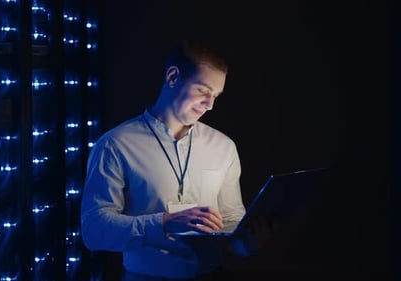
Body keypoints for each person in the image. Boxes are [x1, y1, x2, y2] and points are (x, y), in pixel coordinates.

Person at [80, 39, 273, 281]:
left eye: (216, 95)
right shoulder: (115, 144)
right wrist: (164, 223)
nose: (210, 105)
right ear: (173, 77)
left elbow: (230, 222)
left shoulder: (224, 147)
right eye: (203, 90)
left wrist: (246, 245)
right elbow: (93, 230)